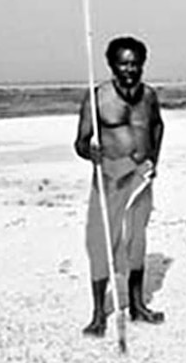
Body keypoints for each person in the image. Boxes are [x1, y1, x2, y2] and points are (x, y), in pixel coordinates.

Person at [74, 35, 165, 337]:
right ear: (112, 64)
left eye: (136, 63)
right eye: (124, 63)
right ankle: (99, 315)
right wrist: (91, 153)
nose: (130, 69)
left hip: (141, 175)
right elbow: (81, 142)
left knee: (136, 241)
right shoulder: (97, 96)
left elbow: (157, 125)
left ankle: (138, 306)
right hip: (110, 176)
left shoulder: (149, 96)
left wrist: (154, 158)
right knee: (100, 243)